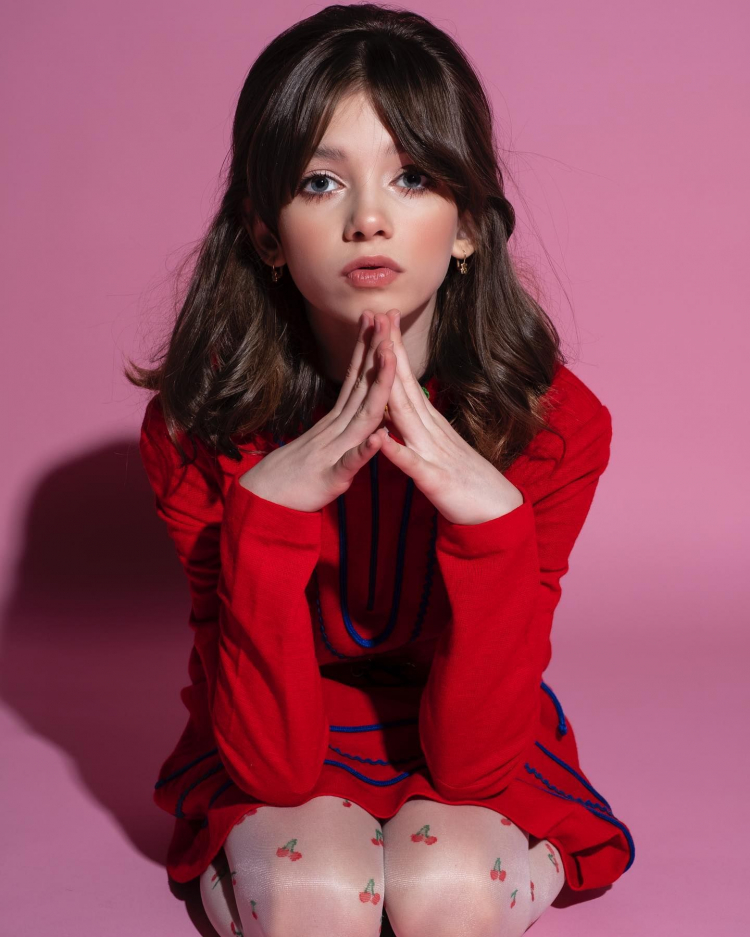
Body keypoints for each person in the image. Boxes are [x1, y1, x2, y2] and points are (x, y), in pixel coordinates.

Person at [127, 4, 635, 935]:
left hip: (469, 727)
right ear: (268, 234)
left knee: (446, 886)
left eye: (412, 176)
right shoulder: (194, 430)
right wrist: (265, 518)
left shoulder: (558, 428)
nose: (368, 219)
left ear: (468, 223)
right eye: (320, 182)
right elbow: (271, 766)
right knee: (315, 891)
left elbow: (473, 765)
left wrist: (493, 530)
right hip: (276, 726)